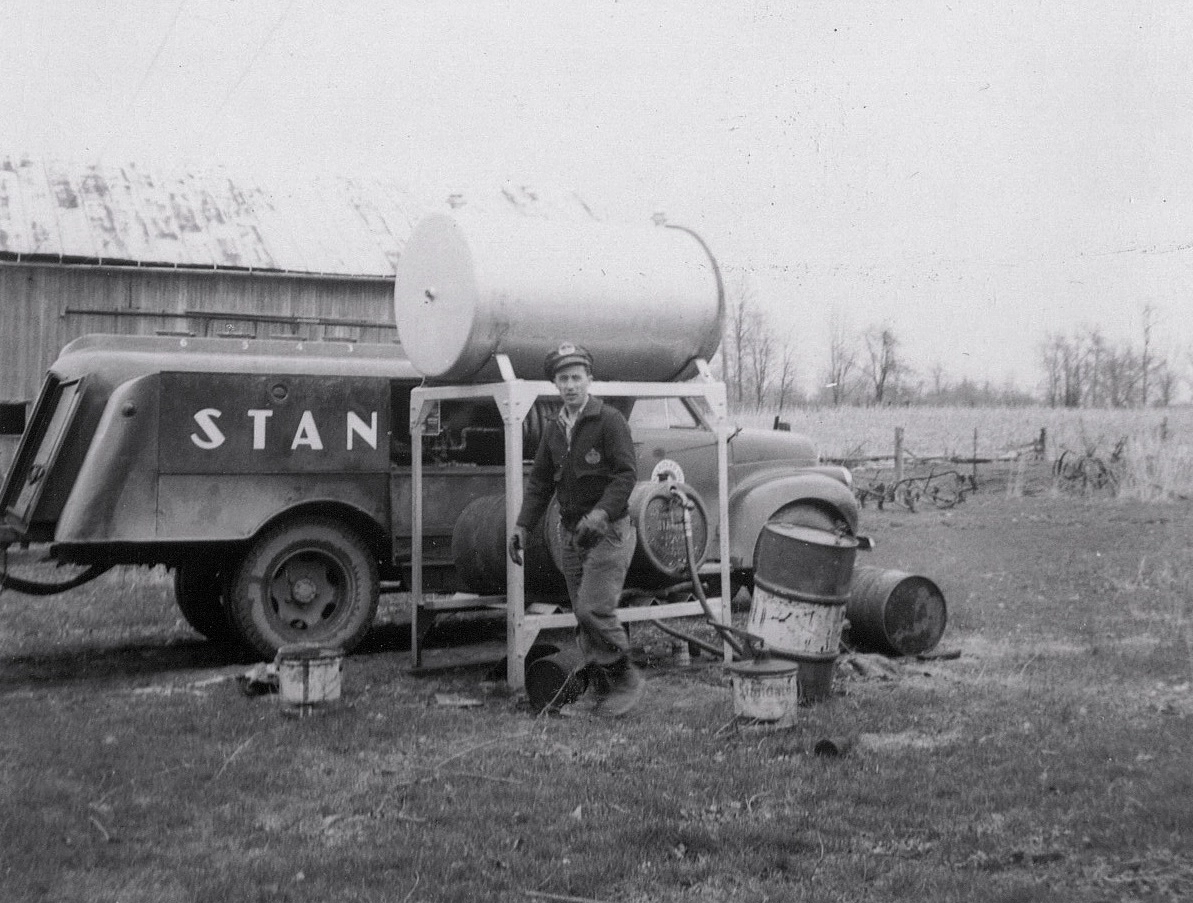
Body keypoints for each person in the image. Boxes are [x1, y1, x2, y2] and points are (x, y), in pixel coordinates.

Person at [509, 342, 643, 717]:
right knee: (583, 619)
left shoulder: (609, 421)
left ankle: (626, 679)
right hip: (570, 536)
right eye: (563, 379)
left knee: (592, 609)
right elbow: (539, 484)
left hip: (608, 533)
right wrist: (522, 526)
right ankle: (601, 692)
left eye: (576, 377)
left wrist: (601, 514)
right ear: (555, 383)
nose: (570, 385)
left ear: (589, 379)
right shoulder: (555, 429)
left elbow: (626, 474)